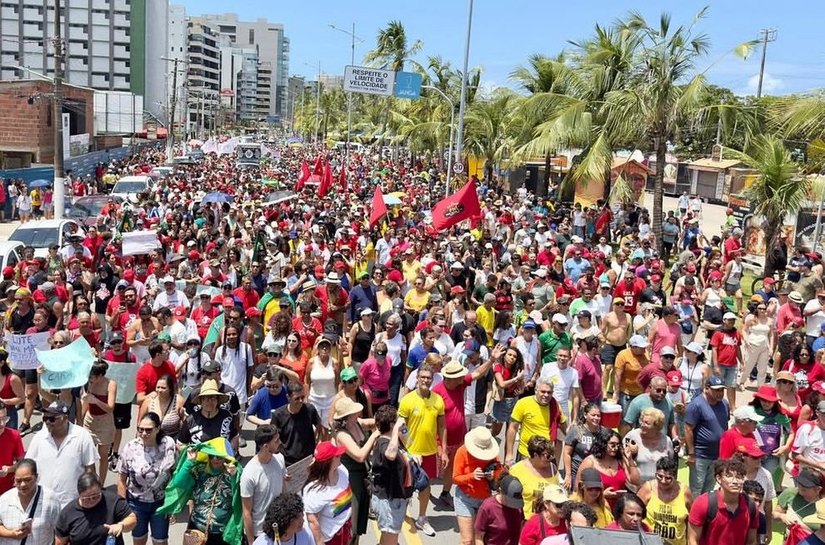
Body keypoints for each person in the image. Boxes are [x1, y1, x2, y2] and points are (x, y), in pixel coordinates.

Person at [157, 438, 244, 545]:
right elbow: (178, 483)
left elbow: (240, 500)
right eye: (211, 455)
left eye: (219, 456)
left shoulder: (235, 474)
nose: (215, 459)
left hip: (220, 533)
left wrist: (234, 476)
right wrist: (189, 462)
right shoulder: (200, 471)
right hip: (196, 529)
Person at [397, 363, 445, 536]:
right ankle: (400, 512)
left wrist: (443, 449)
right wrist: (410, 449)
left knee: (426, 487)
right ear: (417, 379)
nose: (425, 380)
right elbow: (401, 427)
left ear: (432, 380)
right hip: (410, 453)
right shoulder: (407, 400)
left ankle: (422, 518)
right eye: (422, 377)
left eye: (428, 378)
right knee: (406, 486)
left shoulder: (438, 400)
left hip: (430, 452)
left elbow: (442, 427)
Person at [115, 412, 176, 545]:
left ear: (158, 428)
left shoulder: (168, 444)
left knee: (160, 541)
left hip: (161, 503)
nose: (143, 433)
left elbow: (174, 475)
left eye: (148, 430)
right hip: (136, 503)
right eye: (140, 429)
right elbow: (121, 478)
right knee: (139, 540)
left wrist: (173, 504)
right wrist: (122, 506)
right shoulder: (131, 447)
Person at [25, 400, 99, 507]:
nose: (47, 422)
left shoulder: (82, 436)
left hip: (72, 502)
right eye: (45, 418)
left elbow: (90, 468)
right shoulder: (39, 437)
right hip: (43, 502)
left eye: (51, 418)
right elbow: (29, 465)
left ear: (64, 418)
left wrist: (88, 495)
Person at [331, 397, 380, 545]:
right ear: (347, 416)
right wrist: (375, 435)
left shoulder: (357, 423)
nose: (358, 413)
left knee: (358, 524)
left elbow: (372, 421)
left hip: (362, 477)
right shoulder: (342, 434)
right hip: (350, 481)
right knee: (351, 522)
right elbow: (359, 456)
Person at [687, 458, 758, 545]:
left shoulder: (751, 506)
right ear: (718, 478)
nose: (735, 481)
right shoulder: (703, 503)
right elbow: (692, 540)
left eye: (739, 477)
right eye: (729, 476)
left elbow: (751, 541)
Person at [452, 427, 505, 545]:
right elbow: (455, 478)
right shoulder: (462, 452)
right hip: (465, 499)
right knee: (467, 540)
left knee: (480, 538)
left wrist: (493, 476)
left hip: (485, 500)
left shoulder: (492, 455)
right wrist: (471, 476)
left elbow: (499, 474)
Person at [55, 472, 137, 545]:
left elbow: (132, 519)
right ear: (79, 494)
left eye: (96, 496)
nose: (91, 501)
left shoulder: (112, 501)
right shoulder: (68, 513)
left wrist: (121, 525)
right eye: (87, 498)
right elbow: (60, 541)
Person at [369, 406, 411, 545]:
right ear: (392, 424)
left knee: (388, 539)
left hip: (395, 498)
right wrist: (395, 431)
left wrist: (401, 430)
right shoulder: (383, 443)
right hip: (388, 501)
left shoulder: (393, 440)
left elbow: (409, 442)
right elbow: (390, 455)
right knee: (390, 540)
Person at [241, 425, 286, 545]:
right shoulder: (249, 474)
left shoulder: (280, 459)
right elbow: (246, 512)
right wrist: (251, 542)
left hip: (278, 528)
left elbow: (283, 492)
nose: (280, 443)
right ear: (266, 446)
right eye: (276, 441)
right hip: (259, 533)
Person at [685, 376, 730, 496]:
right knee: (696, 488)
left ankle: (706, 512)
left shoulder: (724, 404)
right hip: (700, 455)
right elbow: (688, 429)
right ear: (706, 388)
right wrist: (691, 453)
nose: (720, 393)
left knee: (710, 488)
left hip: (717, 455)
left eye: (722, 390)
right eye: (717, 390)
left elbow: (725, 426)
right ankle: (693, 513)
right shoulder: (696, 405)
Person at [575, 428, 641, 510]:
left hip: (619, 508)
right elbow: (578, 488)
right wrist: (602, 494)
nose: (616, 448)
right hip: (597, 508)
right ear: (603, 443)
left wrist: (630, 460)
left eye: (618, 445)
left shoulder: (620, 460)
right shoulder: (590, 462)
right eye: (612, 444)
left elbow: (636, 481)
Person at [0, 459, 62, 545]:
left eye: (27, 480)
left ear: (36, 477)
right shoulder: (4, 499)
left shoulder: (50, 499)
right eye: (18, 481)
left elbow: (60, 531)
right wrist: (11, 534)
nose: (23, 485)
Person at [505, 377, 565, 467]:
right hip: (526, 455)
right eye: (543, 391)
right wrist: (509, 454)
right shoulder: (523, 403)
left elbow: (565, 428)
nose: (546, 395)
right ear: (536, 390)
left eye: (549, 392)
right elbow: (512, 428)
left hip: (547, 456)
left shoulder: (555, 406)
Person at [303, 441, 353, 545]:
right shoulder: (313, 492)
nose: (340, 456)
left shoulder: (343, 470)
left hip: (345, 528)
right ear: (328, 462)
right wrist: (320, 543)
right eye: (337, 455)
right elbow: (313, 522)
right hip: (332, 538)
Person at [638, 455, 692, 545]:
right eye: (659, 476)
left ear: (675, 476)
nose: (663, 481)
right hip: (650, 542)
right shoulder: (648, 488)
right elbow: (635, 512)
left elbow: (692, 520)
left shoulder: (684, 492)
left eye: (668, 478)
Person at [271, 381, 325, 466]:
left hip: (309, 459)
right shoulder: (278, 415)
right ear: (288, 397)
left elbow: (319, 428)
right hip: (288, 462)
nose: (300, 401)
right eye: (297, 398)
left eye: (302, 397)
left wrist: (318, 444)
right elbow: (273, 439)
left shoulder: (310, 410)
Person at [81, 361, 117, 484]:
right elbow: (85, 402)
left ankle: (101, 483)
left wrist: (96, 401)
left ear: (100, 375)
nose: (90, 379)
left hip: (105, 423)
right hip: (90, 421)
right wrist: (80, 419)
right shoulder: (88, 383)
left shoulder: (110, 384)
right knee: (88, 456)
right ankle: (92, 481)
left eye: (93, 376)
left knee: (103, 456)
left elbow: (110, 407)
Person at [177, 379, 239, 450]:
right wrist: (189, 452)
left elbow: (235, 436)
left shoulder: (227, 417)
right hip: (197, 459)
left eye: (213, 398)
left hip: (222, 459)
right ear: (201, 401)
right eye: (206, 398)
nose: (209, 401)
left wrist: (231, 449)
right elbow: (180, 443)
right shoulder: (191, 420)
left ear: (217, 400)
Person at [509, 436, 560, 519]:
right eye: (547, 456)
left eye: (552, 455)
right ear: (535, 455)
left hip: (548, 521)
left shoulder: (552, 468)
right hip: (525, 520)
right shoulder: (517, 470)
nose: (550, 458)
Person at [622, 407, 674, 484]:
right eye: (642, 421)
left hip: (659, 486)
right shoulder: (632, 436)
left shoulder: (666, 440)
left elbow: (671, 464)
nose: (642, 425)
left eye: (647, 423)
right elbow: (622, 460)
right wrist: (631, 454)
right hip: (635, 486)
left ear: (656, 426)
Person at [562, 402, 604, 491]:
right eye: (593, 415)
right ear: (585, 415)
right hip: (576, 472)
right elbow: (567, 453)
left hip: (594, 474)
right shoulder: (576, 430)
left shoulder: (603, 432)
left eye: (598, 416)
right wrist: (568, 475)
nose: (596, 418)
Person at [474, 474, 524, 545]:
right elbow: (479, 537)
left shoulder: (518, 505)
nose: (513, 504)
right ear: (500, 491)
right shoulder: (488, 507)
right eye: (510, 500)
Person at [136, 374, 183, 439]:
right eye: (158, 387)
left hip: (172, 438)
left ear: (170, 389)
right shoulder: (148, 401)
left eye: (163, 388)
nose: (159, 390)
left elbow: (186, 422)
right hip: (151, 439)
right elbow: (139, 422)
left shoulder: (178, 401)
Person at [0, 404, 24, 494]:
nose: (2, 424)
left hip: (7, 491)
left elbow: (22, 463)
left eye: (4, 419)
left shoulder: (14, 435)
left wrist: (9, 469)